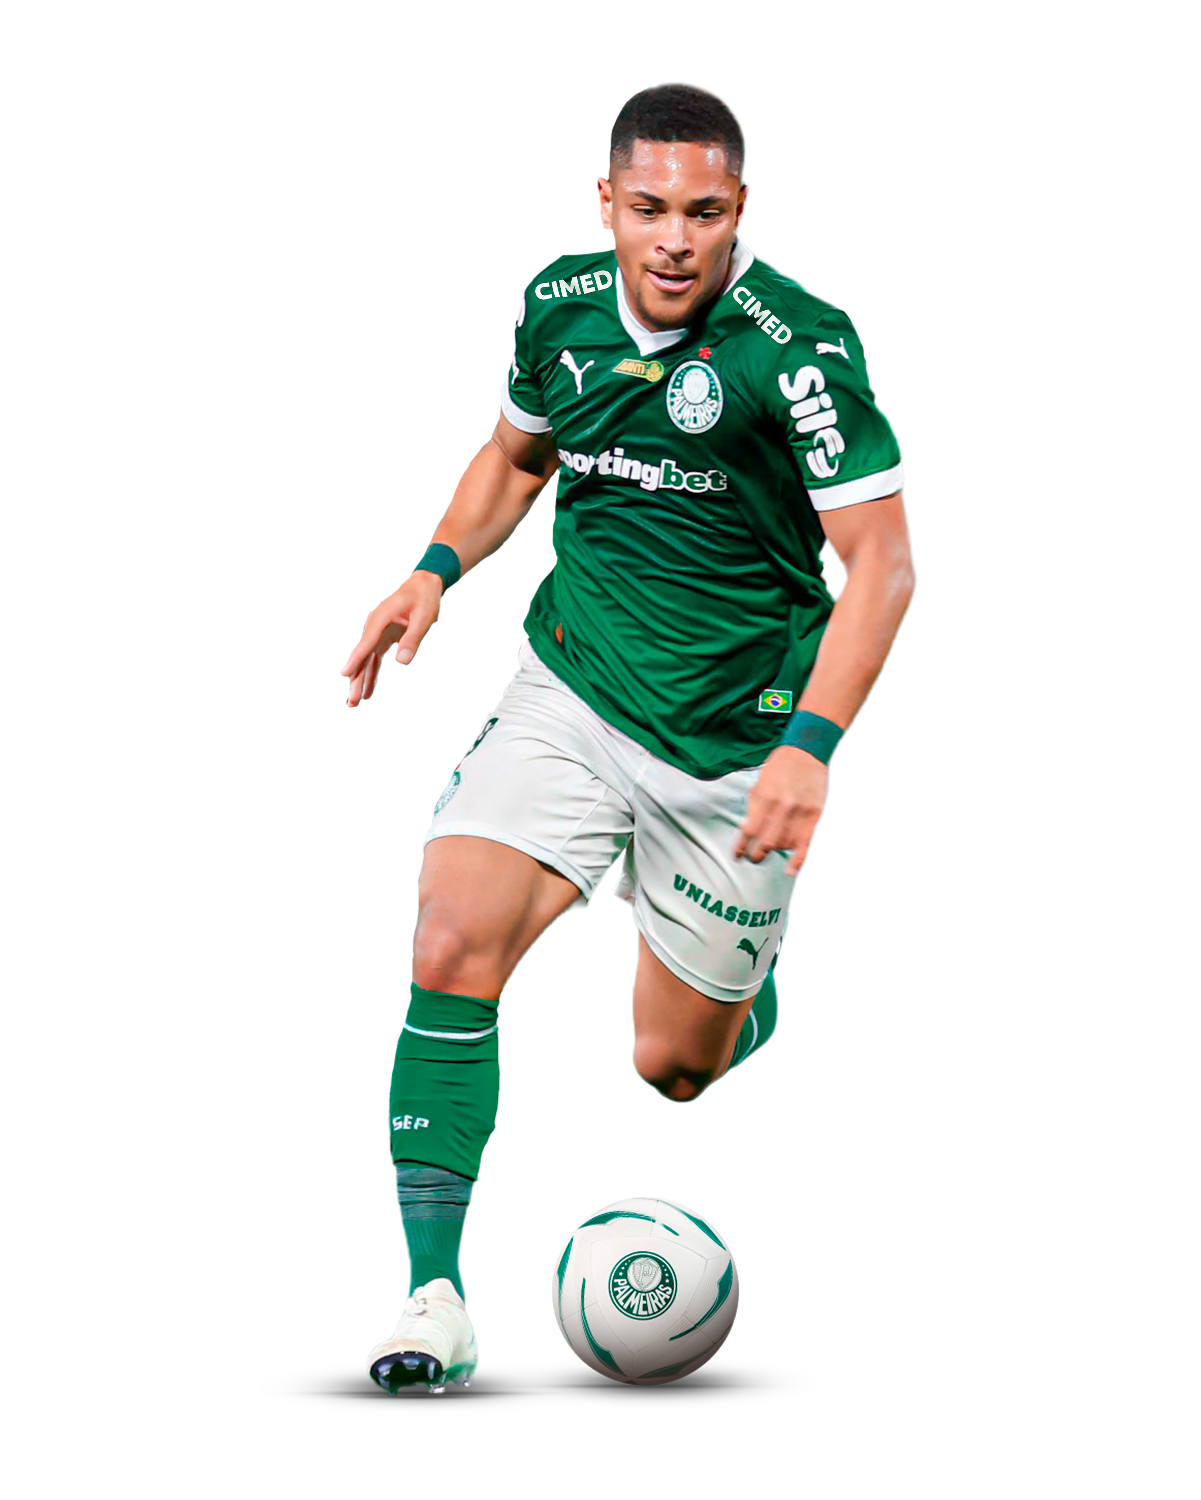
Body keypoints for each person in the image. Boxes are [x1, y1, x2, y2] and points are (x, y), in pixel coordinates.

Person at [340, 82, 916, 1396]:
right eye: (648, 208)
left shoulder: (799, 348)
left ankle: (740, 986)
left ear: (740, 212)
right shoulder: (558, 305)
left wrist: (812, 745)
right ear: (605, 202)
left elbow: (881, 564)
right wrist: (434, 568)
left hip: (733, 746)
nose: (673, 240)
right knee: (448, 939)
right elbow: (517, 459)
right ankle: (434, 1299)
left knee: (673, 1071)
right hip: (574, 687)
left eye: (704, 213)